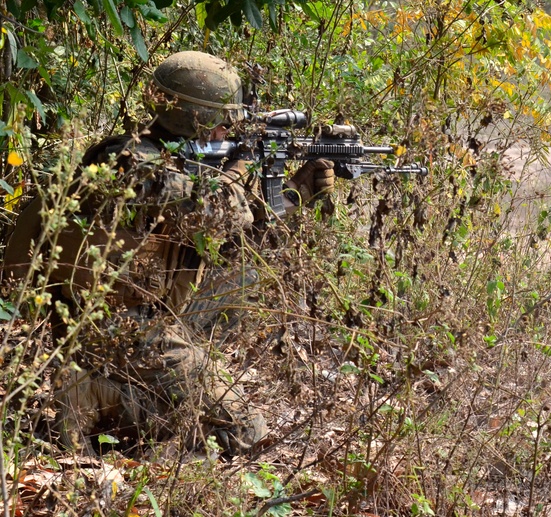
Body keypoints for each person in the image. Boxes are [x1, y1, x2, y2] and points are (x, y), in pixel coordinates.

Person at [2, 51, 336, 456]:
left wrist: (294, 193)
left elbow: (235, 250)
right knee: (246, 427)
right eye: (221, 122)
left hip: (135, 319)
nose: (226, 130)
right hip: (122, 332)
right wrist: (244, 163)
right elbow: (220, 215)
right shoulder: (138, 167)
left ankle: (106, 395)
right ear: (195, 118)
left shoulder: (155, 159)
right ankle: (94, 398)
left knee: (242, 284)